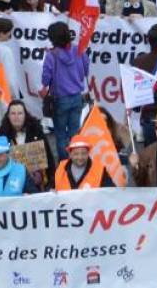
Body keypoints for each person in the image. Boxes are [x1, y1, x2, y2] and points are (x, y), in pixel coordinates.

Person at [41, 21, 89, 158]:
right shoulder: (79, 50)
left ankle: (63, 164)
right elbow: (86, 70)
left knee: (61, 135)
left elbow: (45, 79)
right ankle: (76, 160)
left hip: (60, 99)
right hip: (77, 97)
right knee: (74, 133)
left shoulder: (51, 55)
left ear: (52, 38)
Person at [52, 138, 117, 190]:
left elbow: (110, 191)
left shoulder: (99, 169)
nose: (80, 157)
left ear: (88, 153)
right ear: (70, 154)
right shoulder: (60, 168)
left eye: (83, 153)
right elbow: (52, 188)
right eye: (76, 154)